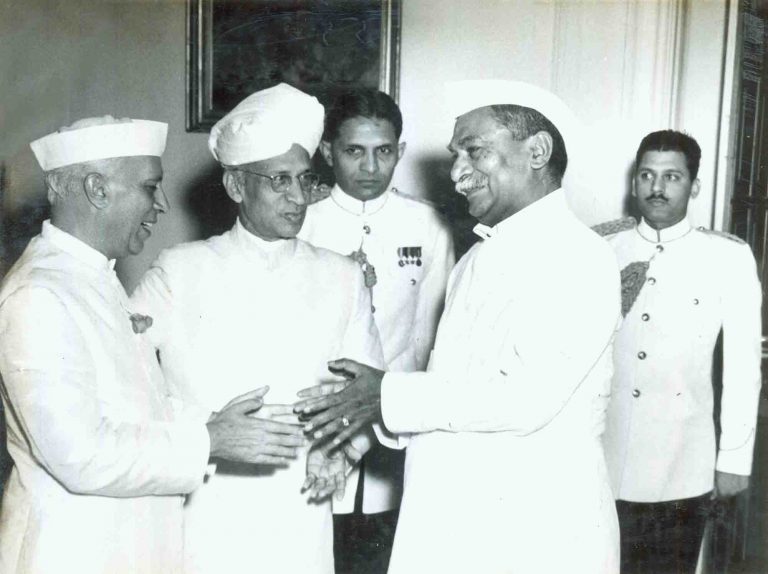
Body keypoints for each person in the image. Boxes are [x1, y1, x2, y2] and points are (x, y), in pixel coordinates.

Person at [295, 80, 622, 573]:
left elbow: (525, 400)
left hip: (535, 533)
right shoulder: (477, 257)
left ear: (537, 151)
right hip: (456, 525)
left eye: (475, 151)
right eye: (455, 155)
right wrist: (372, 412)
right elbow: (452, 390)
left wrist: (385, 397)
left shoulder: (580, 257)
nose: (456, 172)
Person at [0, 116, 307, 573]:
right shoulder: (39, 294)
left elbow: (132, 405)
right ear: (97, 189)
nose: (161, 204)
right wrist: (209, 441)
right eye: (149, 187)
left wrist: (212, 421)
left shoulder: (94, 278)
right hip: (72, 552)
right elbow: (80, 454)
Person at [129, 83, 385, 574]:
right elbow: (125, 376)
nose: (297, 198)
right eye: (278, 181)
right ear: (235, 186)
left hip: (300, 505)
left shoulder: (343, 276)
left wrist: (343, 452)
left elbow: (367, 392)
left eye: (304, 181)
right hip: (203, 502)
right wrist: (199, 425)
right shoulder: (180, 269)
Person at [298, 89, 454, 573]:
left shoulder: (426, 223)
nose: (370, 166)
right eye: (354, 151)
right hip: (319, 428)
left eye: (383, 151)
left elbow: (432, 339)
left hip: (394, 430)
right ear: (327, 153)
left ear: (399, 152)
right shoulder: (303, 221)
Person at [600, 130, 762, 574]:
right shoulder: (601, 249)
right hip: (601, 455)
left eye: (671, 176)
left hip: (680, 463)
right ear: (634, 182)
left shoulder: (727, 256)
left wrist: (733, 459)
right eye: (647, 175)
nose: (657, 187)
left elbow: (743, 369)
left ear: (693, 186)